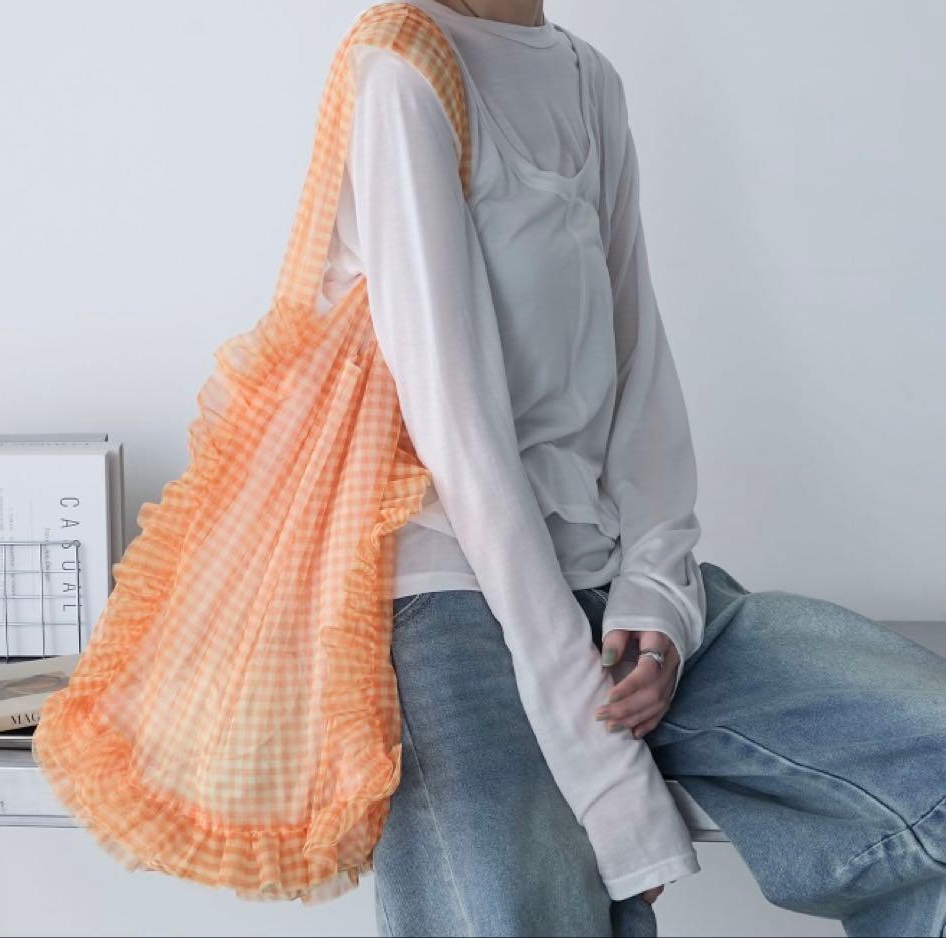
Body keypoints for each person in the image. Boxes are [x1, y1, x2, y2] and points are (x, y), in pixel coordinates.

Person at [317, 0, 946, 934]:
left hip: (605, 581)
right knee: (526, 915)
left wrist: (658, 591)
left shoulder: (587, 80)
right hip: (450, 592)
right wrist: (606, 781)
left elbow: (637, 369)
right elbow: (459, 440)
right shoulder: (399, 71)